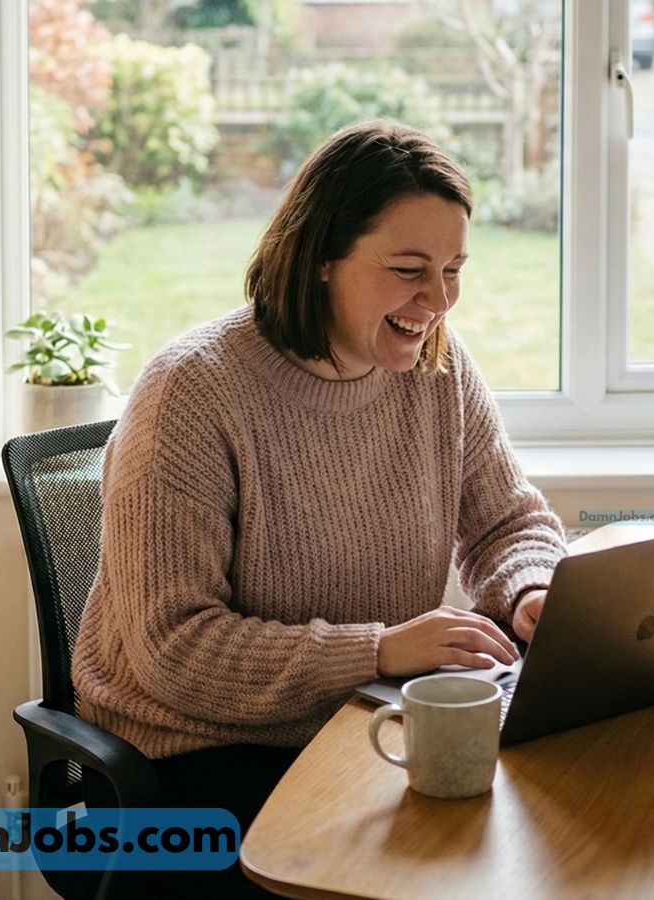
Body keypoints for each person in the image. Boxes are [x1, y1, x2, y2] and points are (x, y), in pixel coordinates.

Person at [71, 119, 567, 895]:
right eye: (409, 268)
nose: (437, 300)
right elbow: (174, 651)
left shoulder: (435, 368)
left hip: (363, 724)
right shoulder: (192, 394)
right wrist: (378, 652)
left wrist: (531, 588)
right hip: (193, 759)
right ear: (322, 258)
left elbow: (509, 520)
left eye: (453, 269)